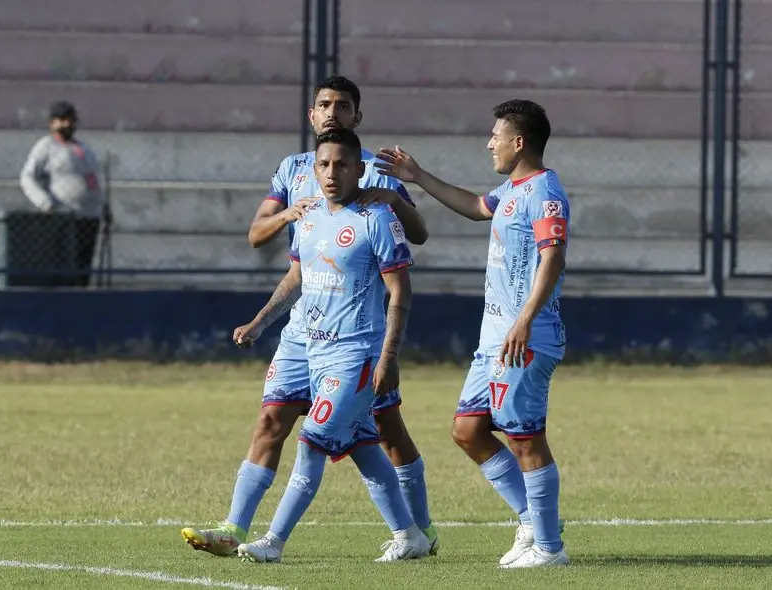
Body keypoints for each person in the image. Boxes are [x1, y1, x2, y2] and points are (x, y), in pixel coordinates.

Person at [181, 76, 438, 556]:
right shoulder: (297, 179)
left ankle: (412, 528)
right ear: (311, 115)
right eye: (324, 104)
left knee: (381, 432)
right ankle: (236, 529)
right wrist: (261, 320)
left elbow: (411, 253)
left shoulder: (377, 192)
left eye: (343, 106)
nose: (332, 112)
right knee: (287, 426)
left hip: (356, 341)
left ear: (357, 124)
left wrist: (399, 200)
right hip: (304, 337)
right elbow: (277, 253)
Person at [374, 99, 571, 568]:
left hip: (526, 337)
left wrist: (524, 319)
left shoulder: (545, 193)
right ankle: (533, 518)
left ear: (518, 142)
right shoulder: (511, 190)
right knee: (468, 430)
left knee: (525, 438)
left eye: (496, 136)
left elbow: (553, 256)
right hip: (494, 340)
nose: (490, 143)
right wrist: (418, 177)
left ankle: (549, 548)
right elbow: (476, 206)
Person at [230, 128, 430, 563]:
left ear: (360, 168)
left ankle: (274, 541)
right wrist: (259, 323)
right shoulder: (308, 216)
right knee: (361, 446)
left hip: (357, 355)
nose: (332, 172)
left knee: (312, 439)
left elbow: (400, 291)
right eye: (324, 164)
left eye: (342, 164)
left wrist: (388, 355)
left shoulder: (376, 217)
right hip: (313, 353)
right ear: (313, 169)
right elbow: (297, 279)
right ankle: (410, 534)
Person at [19, 100, 106, 287]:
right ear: (52, 123)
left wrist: (104, 206)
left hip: (89, 217)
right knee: (66, 269)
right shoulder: (46, 146)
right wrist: (44, 202)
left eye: (71, 120)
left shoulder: (83, 148)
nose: (67, 124)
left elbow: (93, 181)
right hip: (64, 218)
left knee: (83, 270)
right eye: (62, 120)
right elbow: (28, 177)